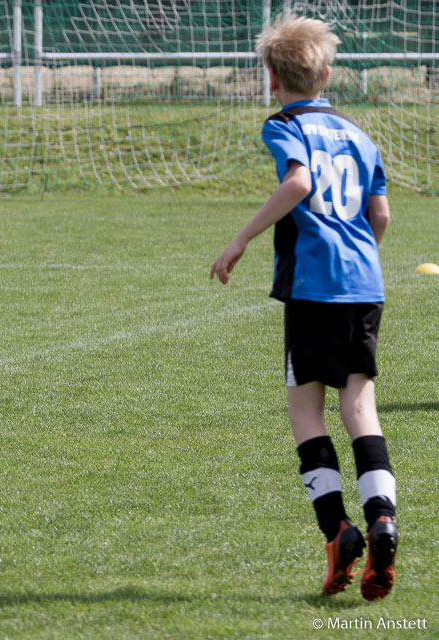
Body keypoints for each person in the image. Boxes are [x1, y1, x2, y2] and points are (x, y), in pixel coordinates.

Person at [210, 14, 397, 601]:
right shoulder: (359, 133)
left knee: (305, 411)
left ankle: (337, 528)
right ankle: (383, 518)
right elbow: (381, 215)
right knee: (360, 407)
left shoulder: (284, 124)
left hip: (315, 288)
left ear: (272, 78)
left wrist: (240, 239)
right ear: (328, 74)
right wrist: (357, 257)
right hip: (364, 285)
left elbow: (298, 182)